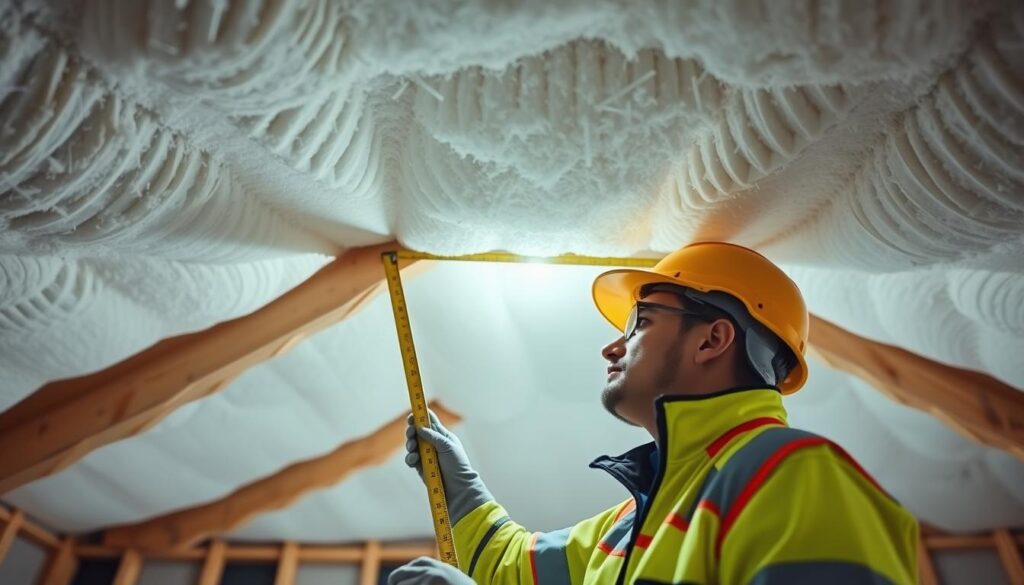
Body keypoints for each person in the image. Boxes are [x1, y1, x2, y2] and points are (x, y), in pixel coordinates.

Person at [388, 242, 918, 585]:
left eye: (639, 322)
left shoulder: (793, 474)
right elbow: (509, 568)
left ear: (713, 339)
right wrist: (463, 490)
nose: (611, 349)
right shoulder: (628, 526)